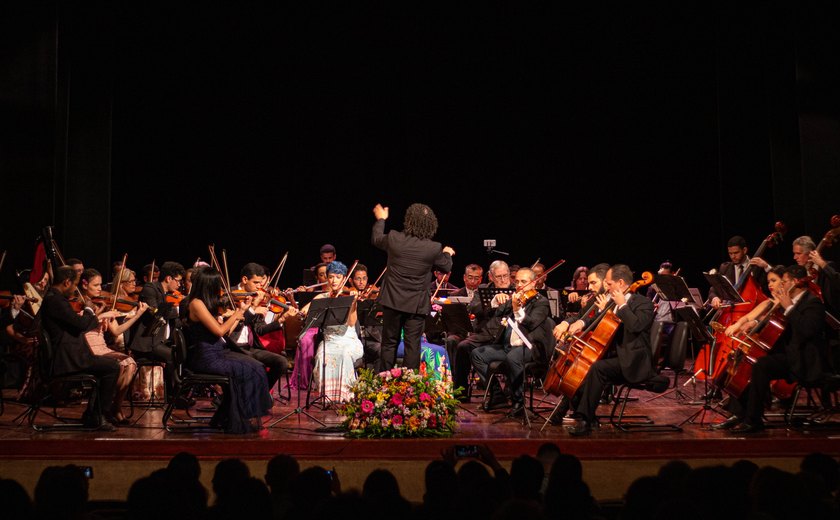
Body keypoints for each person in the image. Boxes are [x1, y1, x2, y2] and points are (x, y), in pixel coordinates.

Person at [712, 265, 829, 433]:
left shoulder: (813, 303)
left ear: (795, 282)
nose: (781, 285)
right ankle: (740, 414)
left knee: (761, 365)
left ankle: (753, 420)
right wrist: (754, 323)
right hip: (787, 354)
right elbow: (774, 325)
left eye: (785, 281)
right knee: (749, 361)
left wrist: (789, 307)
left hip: (803, 360)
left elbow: (807, 331)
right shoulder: (786, 302)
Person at [567, 264, 656, 436]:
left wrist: (622, 306)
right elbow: (602, 331)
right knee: (582, 368)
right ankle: (584, 415)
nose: (605, 287)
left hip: (634, 361)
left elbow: (636, 326)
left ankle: (585, 420)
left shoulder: (643, 304)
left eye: (608, 284)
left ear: (620, 283)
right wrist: (601, 311)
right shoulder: (609, 302)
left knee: (598, 369)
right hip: (614, 357)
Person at [185, 267, 272, 433]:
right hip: (206, 357)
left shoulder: (207, 304)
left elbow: (225, 334)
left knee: (257, 366)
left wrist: (242, 311)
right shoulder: (196, 303)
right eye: (217, 284)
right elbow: (219, 331)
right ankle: (238, 417)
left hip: (219, 350)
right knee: (245, 370)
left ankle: (237, 415)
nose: (221, 288)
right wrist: (236, 314)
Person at [371, 203, 454, 371]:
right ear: (431, 224)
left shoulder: (394, 238)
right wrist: (447, 253)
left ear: (408, 220)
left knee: (388, 343)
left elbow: (377, 238)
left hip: (392, 301)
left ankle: (383, 384)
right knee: (413, 345)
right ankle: (409, 388)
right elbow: (445, 266)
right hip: (416, 306)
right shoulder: (433, 248)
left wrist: (381, 219)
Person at [38, 266, 121, 430]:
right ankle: (98, 415)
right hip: (65, 358)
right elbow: (80, 325)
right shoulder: (56, 300)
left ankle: (93, 414)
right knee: (112, 367)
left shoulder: (54, 298)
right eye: (74, 284)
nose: (75, 289)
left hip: (70, 354)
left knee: (108, 366)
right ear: (66, 282)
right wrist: (89, 309)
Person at [470, 268, 555, 416]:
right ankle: (497, 394)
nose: (519, 285)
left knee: (513, 358)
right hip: (508, 347)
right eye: (517, 282)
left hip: (530, 348)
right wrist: (496, 300)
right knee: (477, 354)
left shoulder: (541, 302)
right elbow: (497, 312)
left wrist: (517, 310)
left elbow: (531, 323)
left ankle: (518, 403)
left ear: (533, 284)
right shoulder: (516, 298)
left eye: (524, 281)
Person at [79, 268, 146, 423]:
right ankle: (103, 408)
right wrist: (101, 316)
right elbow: (80, 327)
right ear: (84, 285)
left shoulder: (104, 303)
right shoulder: (77, 304)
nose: (100, 289)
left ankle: (116, 407)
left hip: (101, 346)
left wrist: (137, 315)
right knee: (119, 365)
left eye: (100, 285)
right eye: (95, 285)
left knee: (130, 364)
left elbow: (116, 331)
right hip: (87, 347)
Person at [301, 261, 364, 403]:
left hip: (348, 341)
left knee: (344, 354)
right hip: (329, 341)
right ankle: (328, 397)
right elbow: (304, 311)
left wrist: (353, 303)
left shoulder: (348, 298)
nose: (333, 280)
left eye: (337, 277)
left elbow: (352, 323)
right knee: (322, 356)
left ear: (344, 278)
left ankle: (346, 396)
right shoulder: (322, 298)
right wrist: (293, 301)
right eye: (331, 277)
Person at [228, 263, 295, 394]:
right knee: (256, 366)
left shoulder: (257, 298)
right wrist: (252, 308)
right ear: (245, 280)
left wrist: (281, 319)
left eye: (261, 283)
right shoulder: (230, 296)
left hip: (250, 346)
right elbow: (233, 325)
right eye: (256, 283)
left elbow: (260, 330)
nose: (260, 287)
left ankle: (260, 394)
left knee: (281, 362)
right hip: (233, 346)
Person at [450, 260, 512, 399]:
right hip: (484, 335)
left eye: (505, 276)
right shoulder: (484, 289)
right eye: (498, 277)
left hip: (506, 337)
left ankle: (500, 392)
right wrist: (492, 303)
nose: (503, 280)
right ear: (491, 276)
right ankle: (461, 391)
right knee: (462, 347)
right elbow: (473, 308)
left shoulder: (515, 291)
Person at [128, 261, 185, 403]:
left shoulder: (166, 294)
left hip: (160, 341)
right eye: (178, 281)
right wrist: (180, 310)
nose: (179, 285)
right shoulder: (150, 288)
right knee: (173, 356)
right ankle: (173, 396)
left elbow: (173, 319)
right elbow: (156, 312)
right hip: (147, 343)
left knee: (182, 352)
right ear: (168, 278)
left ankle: (179, 391)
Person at [708, 235, 767, 309]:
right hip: (730, 309)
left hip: (752, 309)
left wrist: (766, 266)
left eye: (736, 253)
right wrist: (714, 298)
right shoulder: (725, 268)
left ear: (744, 250)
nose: (733, 256)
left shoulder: (756, 267)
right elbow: (714, 289)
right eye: (730, 253)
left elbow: (768, 286)